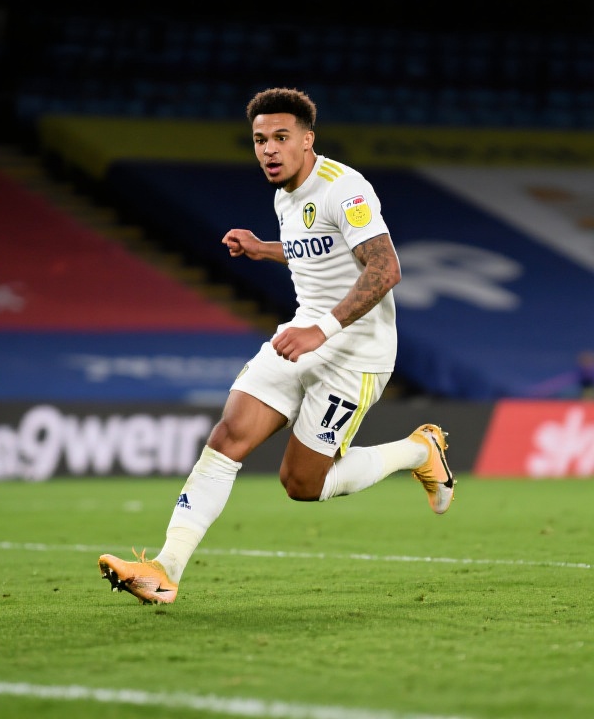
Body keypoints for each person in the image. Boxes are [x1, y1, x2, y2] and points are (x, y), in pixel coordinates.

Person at [97, 87, 455, 605]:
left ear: (308, 140)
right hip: (299, 337)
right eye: (260, 139)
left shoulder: (345, 188)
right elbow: (317, 250)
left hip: (355, 354)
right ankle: (164, 569)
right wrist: (263, 249)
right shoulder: (284, 194)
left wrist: (321, 331)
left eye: (281, 137)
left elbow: (386, 268)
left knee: (301, 484)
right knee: (228, 436)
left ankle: (419, 451)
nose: (268, 149)